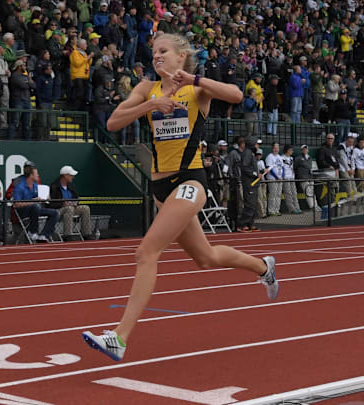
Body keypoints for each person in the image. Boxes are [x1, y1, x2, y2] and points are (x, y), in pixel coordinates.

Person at [81, 34, 278, 362]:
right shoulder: (147, 88)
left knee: (147, 251)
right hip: (160, 187)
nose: (156, 56)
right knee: (206, 258)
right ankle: (263, 267)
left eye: (163, 51)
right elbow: (114, 121)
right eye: (154, 51)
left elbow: (237, 95)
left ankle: (119, 337)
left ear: (180, 56)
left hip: (190, 181)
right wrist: (151, 105)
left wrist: (196, 78)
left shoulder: (196, 88)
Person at [12, 164, 60, 242]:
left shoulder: (35, 185)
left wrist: (44, 198)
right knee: (35, 206)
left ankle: (44, 235)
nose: (38, 175)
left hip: (36, 210)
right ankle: (32, 232)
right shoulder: (19, 187)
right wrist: (33, 202)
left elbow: (37, 199)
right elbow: (16, 204)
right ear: (31, 175)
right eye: (36, 174)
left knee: (56, 213)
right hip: (23, 212)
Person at [49, 165, 94, 239]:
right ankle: (67, 235)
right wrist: (63, 204)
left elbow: (76, 198)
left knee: (85, 208)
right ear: (65, 176)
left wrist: (76, 203)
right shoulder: (54, 186)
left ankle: (86, 234)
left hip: (71, 208)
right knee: (69, 208)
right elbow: (52, 204)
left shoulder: (71, 186)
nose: (73, 177)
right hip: (59, 210)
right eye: (71, 175)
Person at [295, 145, 319, 211]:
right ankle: (312, 206)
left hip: (310, 177)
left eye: (306, 149)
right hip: (303, 178)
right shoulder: (298, 158)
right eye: (303, 149)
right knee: (308, 192)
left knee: (312, 192)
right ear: (301, 150)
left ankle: (316, 205)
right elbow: (295, 167)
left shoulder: (310, 158)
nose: (305, 150)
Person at [281, 144, 301, 214]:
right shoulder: (282, 158)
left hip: (292, 177)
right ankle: (292, 209)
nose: (292, 151)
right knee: (288, 193)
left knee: (294, 193)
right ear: (287, 150)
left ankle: (297, 207)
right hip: (286, 178)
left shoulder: (291, 158)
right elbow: (281, 168)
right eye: (291, 150)